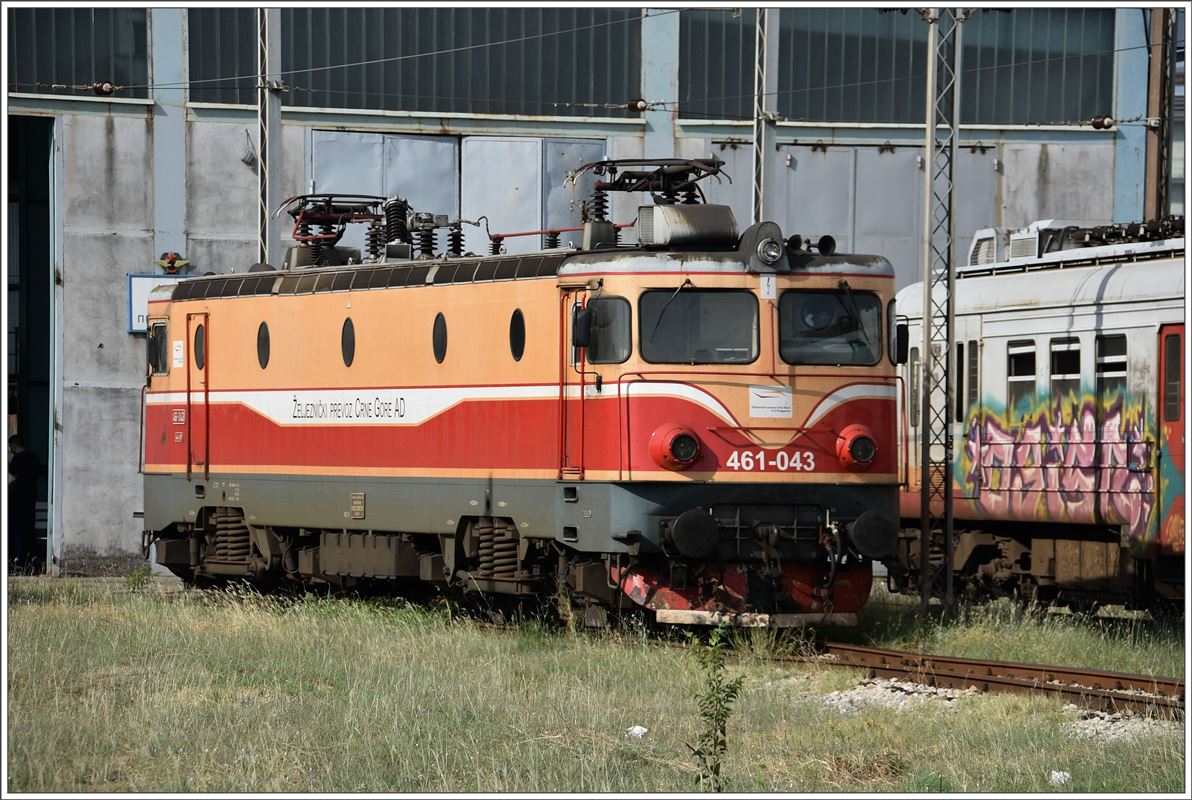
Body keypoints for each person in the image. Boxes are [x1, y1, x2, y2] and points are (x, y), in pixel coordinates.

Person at [8, 434, 39, 574]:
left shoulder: (16, 460)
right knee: (29, 531)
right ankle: (33, 562)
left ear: (14, 446)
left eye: (11, 447)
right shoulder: (33, 458)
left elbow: (12, 479)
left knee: (18, 532)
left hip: (17, 501)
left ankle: (19, 562)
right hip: (30, 500)